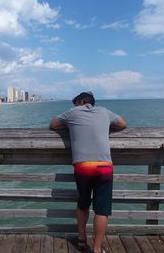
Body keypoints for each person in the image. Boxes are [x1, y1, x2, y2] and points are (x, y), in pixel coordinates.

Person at [50, 91, 126, 253]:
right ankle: (97, 249)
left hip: (83, 166)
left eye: (75, 103)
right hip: (104, 166)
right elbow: (122, 124)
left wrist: (70, 125)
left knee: (83, 204)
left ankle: (82, 240)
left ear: (80, 101)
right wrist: (105, 125)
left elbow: (53, 124)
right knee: (102, 210)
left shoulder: (73, 112)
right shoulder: (105, 112)